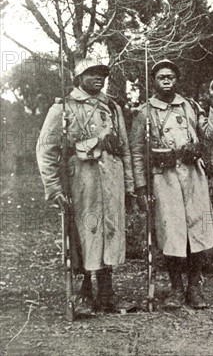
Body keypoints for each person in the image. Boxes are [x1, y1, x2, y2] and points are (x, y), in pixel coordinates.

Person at [37, 58, 135, 313]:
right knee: (85, 232)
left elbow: (124, 149)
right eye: (91, 73)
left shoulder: (112, 107)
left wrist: (129, 186)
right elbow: (46, 149)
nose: (98, 78)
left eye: (102, 73)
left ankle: (107, 293)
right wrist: (54, 188)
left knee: (110, 232)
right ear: (78, 78)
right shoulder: (64, 107)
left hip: (111, 179)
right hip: (82, 179)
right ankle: (85, 293)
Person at [130, 59, 213, 310]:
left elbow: (210, 136)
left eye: (171, 76)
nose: (167, 80)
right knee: (172, 234)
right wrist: (140, 188)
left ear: (177, 79)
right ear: (155, 82)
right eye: (161, 77)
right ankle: (176, 289)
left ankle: (195, 288)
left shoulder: (190, 106)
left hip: (193, 176)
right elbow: (137, 152)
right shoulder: (145, 113)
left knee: (197, 232)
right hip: (164, 178)